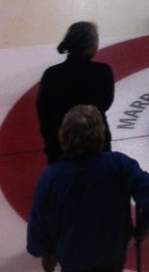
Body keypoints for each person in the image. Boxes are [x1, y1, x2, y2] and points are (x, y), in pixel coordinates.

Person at [27, 104, 149, 272]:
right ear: (100, 134)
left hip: (73, 258)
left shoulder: (52, 177)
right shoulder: (119, 165)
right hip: (111, 253)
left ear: (63, 137)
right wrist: (145, 223)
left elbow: (39, 220)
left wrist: (45, 251)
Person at [36, 22, 114, 165]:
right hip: (96, 143)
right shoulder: (103, 72)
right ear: (90, 45)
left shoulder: (51, 75)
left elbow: (43, 111)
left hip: (60, 145)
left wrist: (50, 140)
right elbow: (105, 104)